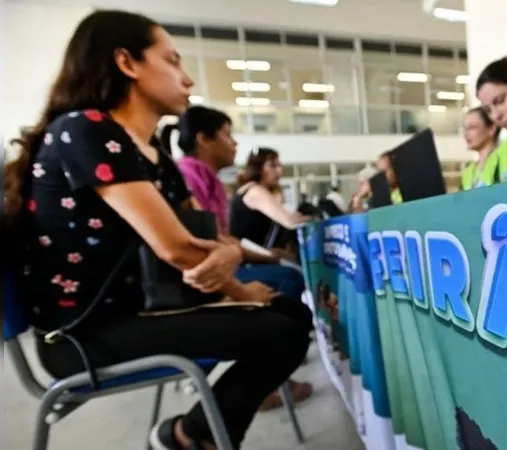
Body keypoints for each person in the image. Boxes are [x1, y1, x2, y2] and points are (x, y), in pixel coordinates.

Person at [2, 10, 310, 450]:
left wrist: (231, 258)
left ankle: (188, 436)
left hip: (137, 313)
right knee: (284, 329)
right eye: (172, 61)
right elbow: (180, 248)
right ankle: (194, 439)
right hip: (82, 336)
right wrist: (240, 288)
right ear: (127, 63)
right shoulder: (86, 131)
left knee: (292, 316)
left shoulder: (155, 158)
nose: (187, 79)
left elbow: (206, 236)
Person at [162, 106, 313, 411]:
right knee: (288, 285)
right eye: (228, 135)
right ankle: (266, 381)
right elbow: (199, 247)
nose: (234, 144)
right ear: (205, 139)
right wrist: (241, 290)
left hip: (219, 271)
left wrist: (256, 257)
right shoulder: (189, 176)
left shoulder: (208, 179)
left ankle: (266, 377)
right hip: (198, 282)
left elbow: (222, 239)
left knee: (291, 302)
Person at [229, 148, 312, 252]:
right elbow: (291, 222)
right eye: (273, 165)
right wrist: (314, 219)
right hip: (252, 262)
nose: (279, 170)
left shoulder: (249, 189)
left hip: (256, 258)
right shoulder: (255, 191)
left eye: (280, 165)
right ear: (258, 168)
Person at [460, 107, 501, 190]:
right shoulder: (468, 172)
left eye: (472, 127)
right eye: (465, 128)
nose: (466, 134)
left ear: (491, 129)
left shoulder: (501, 160)